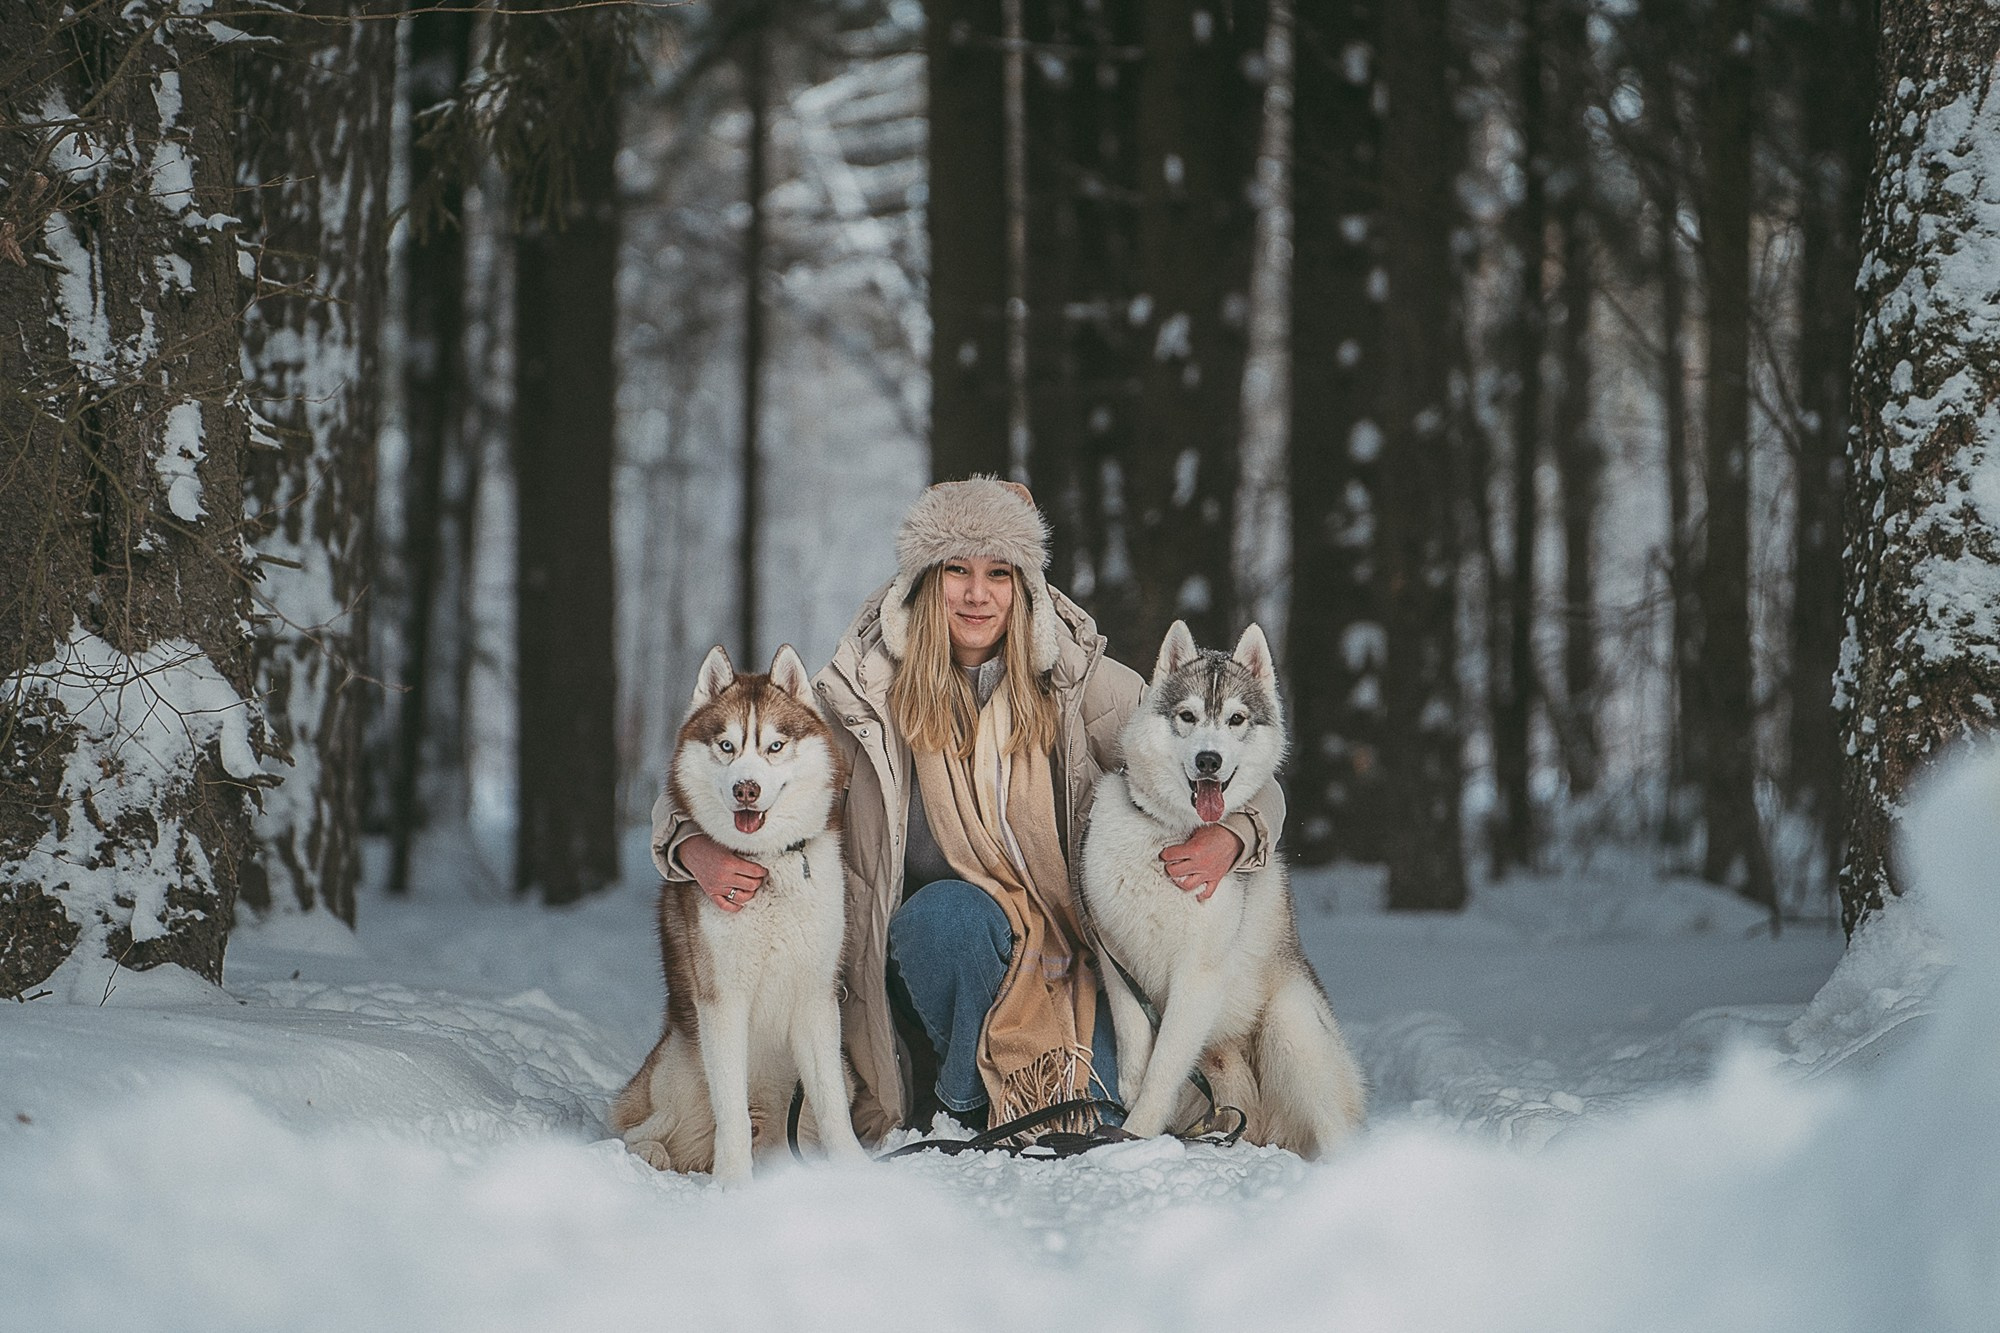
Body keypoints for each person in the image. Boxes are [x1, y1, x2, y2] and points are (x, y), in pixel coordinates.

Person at [651, 478, 1287, 1140]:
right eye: (957, 569)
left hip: (1058, 965)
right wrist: (692, 847)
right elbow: (721, 763)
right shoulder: (862, 693)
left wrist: (1235, 836)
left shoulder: (1079, 681)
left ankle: (1019, 1088)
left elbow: (1249, 768)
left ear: (1025, 585)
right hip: (923, 962)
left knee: (1096, 1115)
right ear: (927, 579)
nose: (977, 593)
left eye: (998, 572)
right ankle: (963, 1100)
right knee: (948, 918)